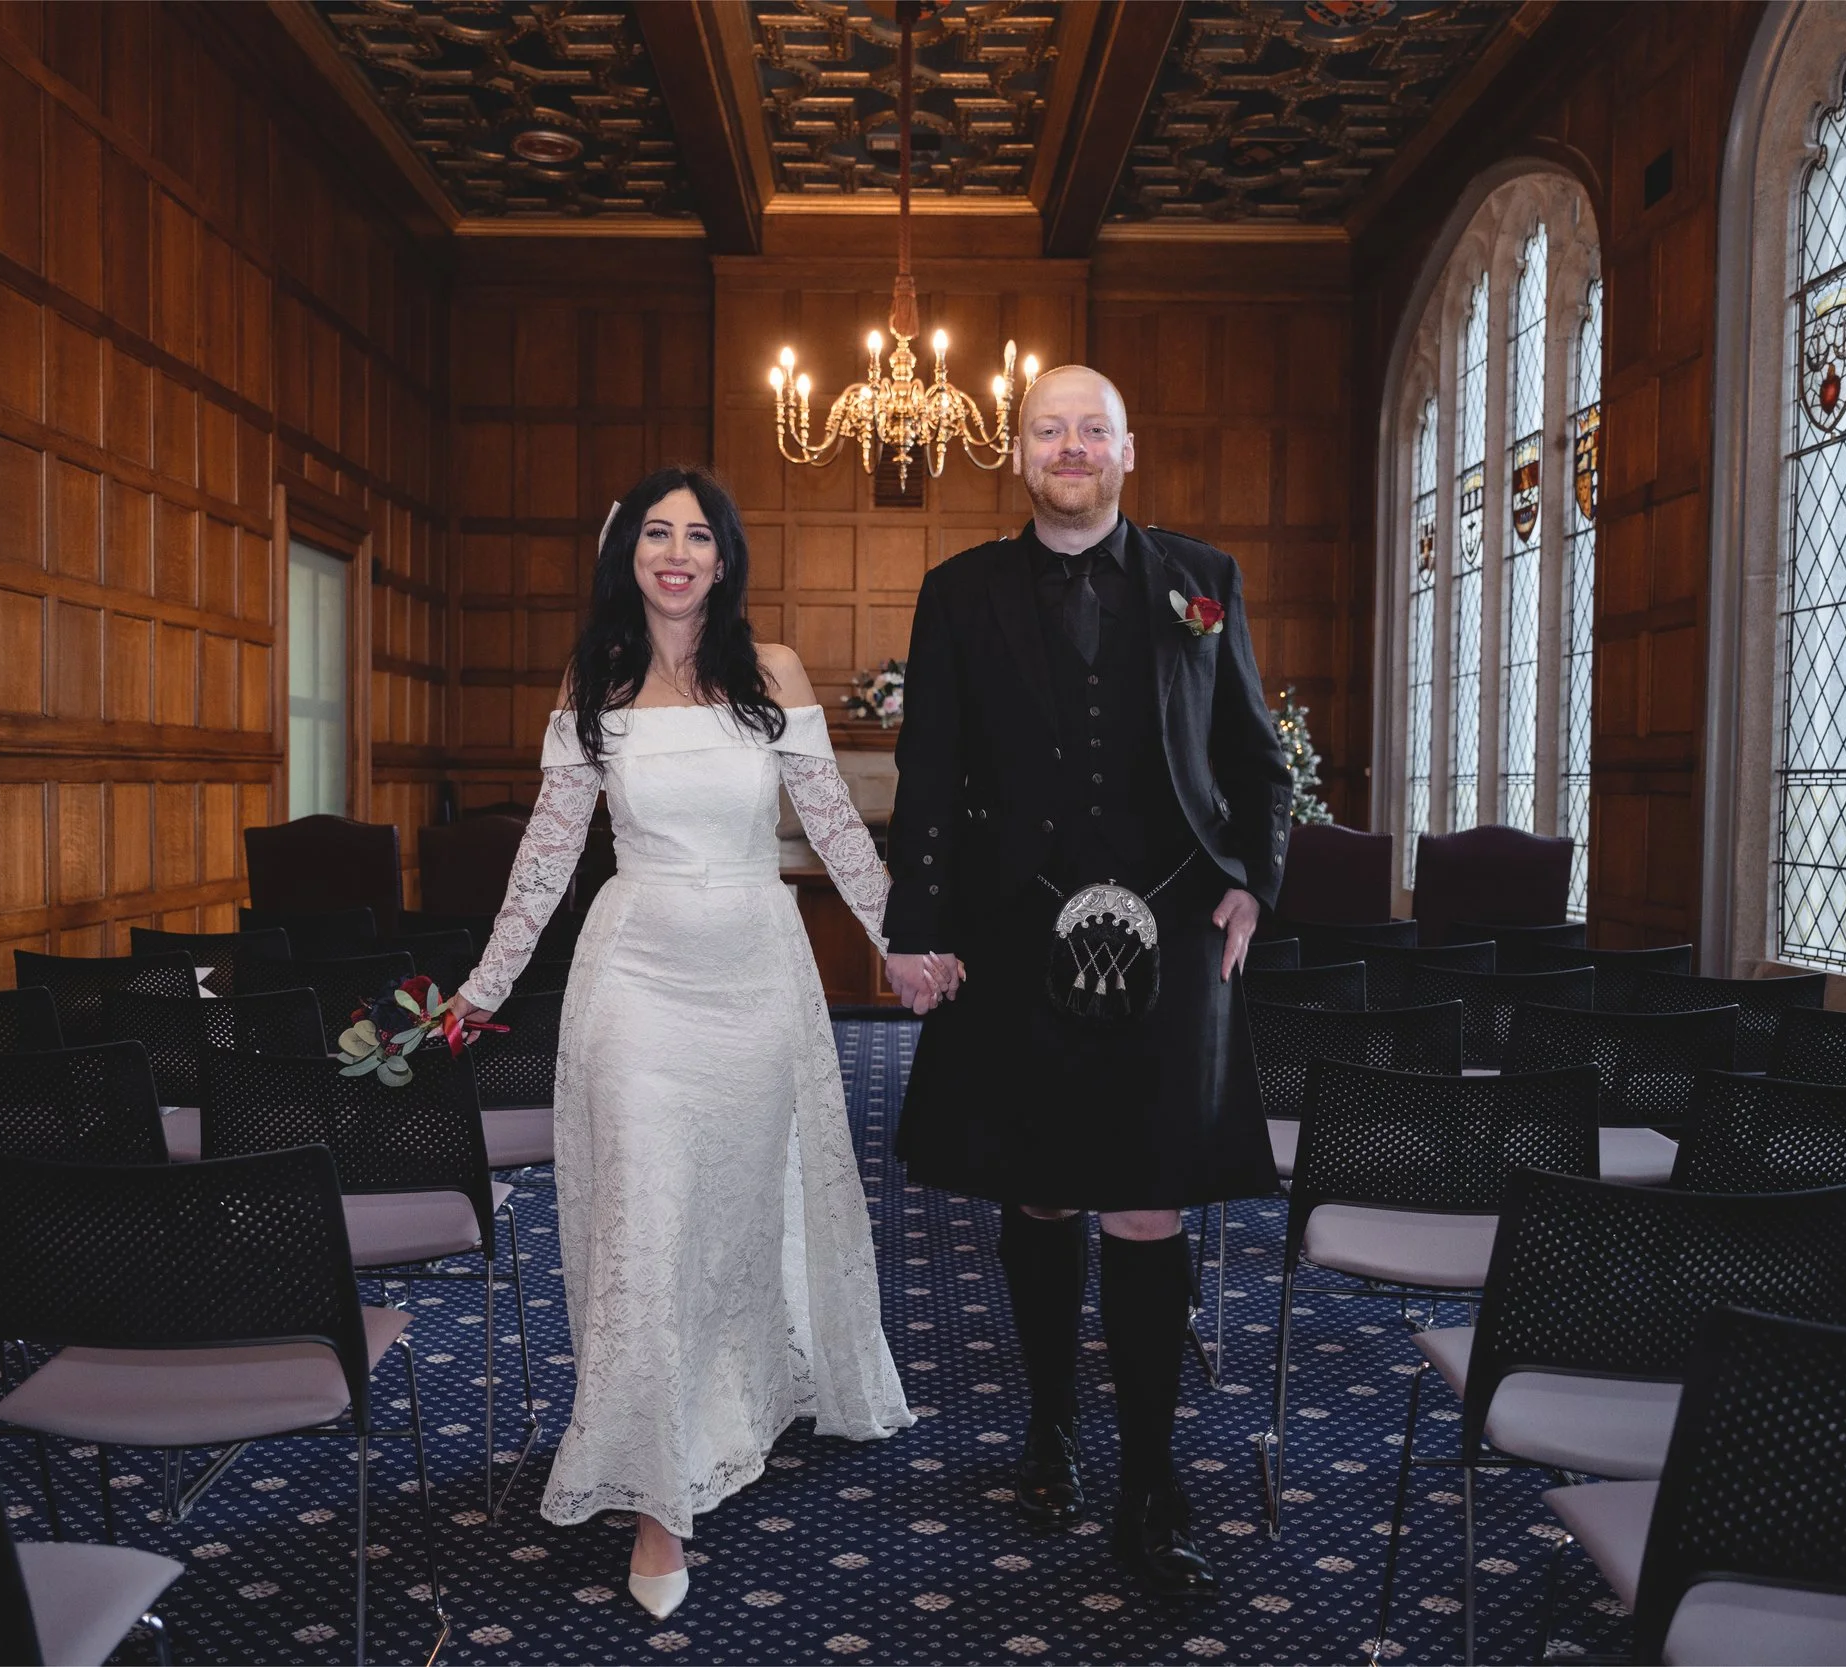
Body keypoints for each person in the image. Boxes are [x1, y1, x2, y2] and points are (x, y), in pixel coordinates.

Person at [451, 466, 917, 1622]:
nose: (676, 551)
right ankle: (659, 1494)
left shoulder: (775, 676)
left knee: (730, 1215)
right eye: (656, 533)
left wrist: (905, 941)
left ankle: (731, 1398)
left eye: (696, 534)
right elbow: (549, 856)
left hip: (756, 976)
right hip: (636, 982)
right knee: (647, 1217)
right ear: (628, 556)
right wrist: (479, 987)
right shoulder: (592, 683)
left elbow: (835, 830)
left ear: (723, 556)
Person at [881, 365, 1293, 1598]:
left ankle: (1151, 1474)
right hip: (1013, 938)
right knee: (1042, 1196)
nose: (1070, 446)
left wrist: (1252, 883)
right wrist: (912, 930)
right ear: (1017, 452)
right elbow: (931, 773)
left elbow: (1258, 763)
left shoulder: (1200, 580)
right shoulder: (958, 593)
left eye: (1091, 429)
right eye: (1048, 429)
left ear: (1127, 449)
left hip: (1173, 934)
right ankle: (1051, 1422)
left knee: (1149, 1203)